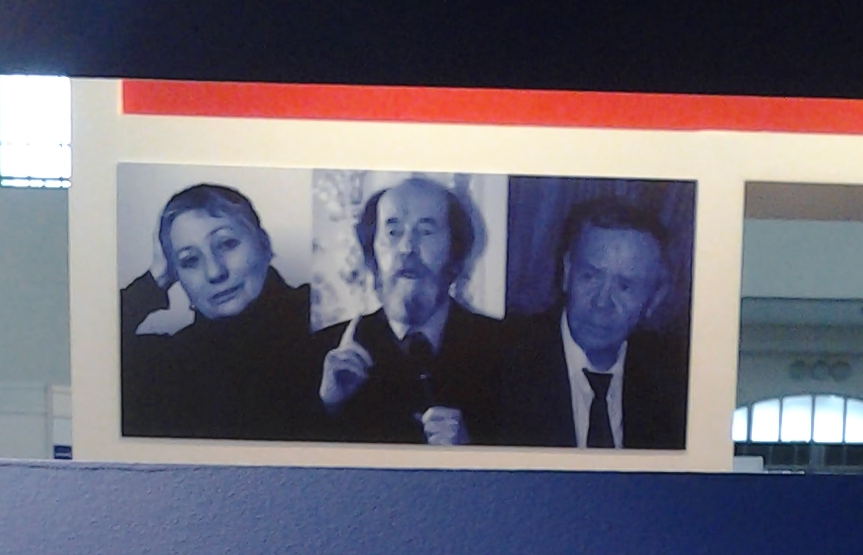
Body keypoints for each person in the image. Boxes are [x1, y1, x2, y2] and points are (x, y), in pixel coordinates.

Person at [120, 183, 318, 440]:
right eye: (190, 260)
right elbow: (90, 356)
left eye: (226, 244)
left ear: (264, 244)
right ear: (176, 275)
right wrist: (154, 280)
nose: (215, 272)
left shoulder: (327, 316)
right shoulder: (167, 365)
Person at [315, 176, 503, 446]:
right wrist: (329, 406)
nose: (406, 248)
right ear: (372, 254)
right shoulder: (327, 353)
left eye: (425, 231)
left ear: (455, 251)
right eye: (393, 233)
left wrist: (472, 453)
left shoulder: (505, 351)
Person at [499, 198, 689, 450]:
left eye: (625, 286)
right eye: (589, 277)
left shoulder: (676, 384)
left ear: (654, 299)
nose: (601, 303)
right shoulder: (501, 366)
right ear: (567, 273)